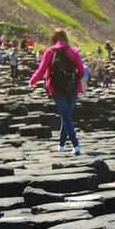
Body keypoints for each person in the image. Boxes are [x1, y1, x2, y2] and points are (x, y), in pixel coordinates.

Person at [28, 27, 86, 155]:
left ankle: (76, 145)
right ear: (65, 38)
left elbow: (41, 69)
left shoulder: (50, 51)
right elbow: (82, 71)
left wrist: (32, 80)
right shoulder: (73, 51)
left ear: (54, 39)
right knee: (66, 115)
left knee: (65, 116)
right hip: (73, 89)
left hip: (55, 89)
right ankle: (61, 145)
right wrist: (74, 81)